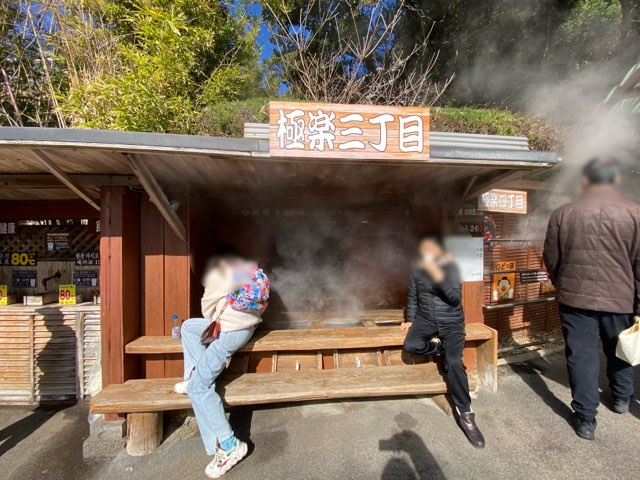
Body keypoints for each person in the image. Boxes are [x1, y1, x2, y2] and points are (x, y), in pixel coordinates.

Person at [544, 157, 640, 441]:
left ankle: (586, 420)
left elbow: (551, 257)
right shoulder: (635, 214)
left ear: (586, 180)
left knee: (581, 356)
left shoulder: (563, 213)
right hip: (622, 298)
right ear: (616, 180)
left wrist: (561, 282)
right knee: (620, 348)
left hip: (575, 300)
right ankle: (622, 399)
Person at [175, 255, 268, 478]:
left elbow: (208, 313)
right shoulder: (248, 270)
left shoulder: (217, 277)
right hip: (247, 327)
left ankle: (229, 445)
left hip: (229, 333)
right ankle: (196, 375)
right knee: (188, 327)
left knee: (199, 389)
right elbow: (260, 303)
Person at [401, 234, 486, 448]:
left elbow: (455, 298)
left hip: (452, 321)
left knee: (455, 362)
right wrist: (410, 319)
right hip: (426, 319)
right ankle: (437, 347)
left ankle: (466, 413)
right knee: (411, 345)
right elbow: (412, 295)